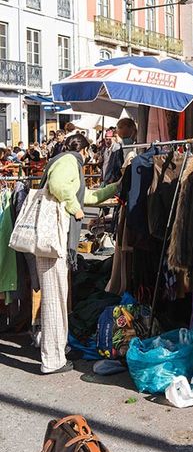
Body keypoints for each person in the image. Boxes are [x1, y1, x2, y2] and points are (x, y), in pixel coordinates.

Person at [37, 133, 120, 374]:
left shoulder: (67, 160)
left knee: (59, 297)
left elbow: (87, 197)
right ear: (84, 150)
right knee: (54, 299)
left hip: (55, 241)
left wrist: (114, 188)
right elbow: (59, 187)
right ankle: (52, 361)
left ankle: (57, 349)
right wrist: (75, 209)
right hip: (53, 240)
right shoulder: (69, 161)